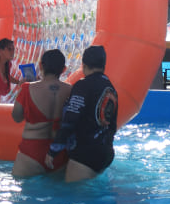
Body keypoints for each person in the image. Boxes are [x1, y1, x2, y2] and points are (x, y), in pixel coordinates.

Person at [45, 44, 118, 183]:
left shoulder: (83, 85)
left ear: (84, 65)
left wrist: (54, 150)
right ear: (103, 65)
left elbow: (70, 120)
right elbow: (112, 126)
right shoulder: (111, 88)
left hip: (85, 154)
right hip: (105, 153)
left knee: (75, 193)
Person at [11, 49, 72, 178]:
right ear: (64, 69)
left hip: (30, 153)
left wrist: (19, 91)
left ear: (40, 66)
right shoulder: (71, 90)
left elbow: (16, 117)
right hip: (59, 153)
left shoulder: (27, 89)